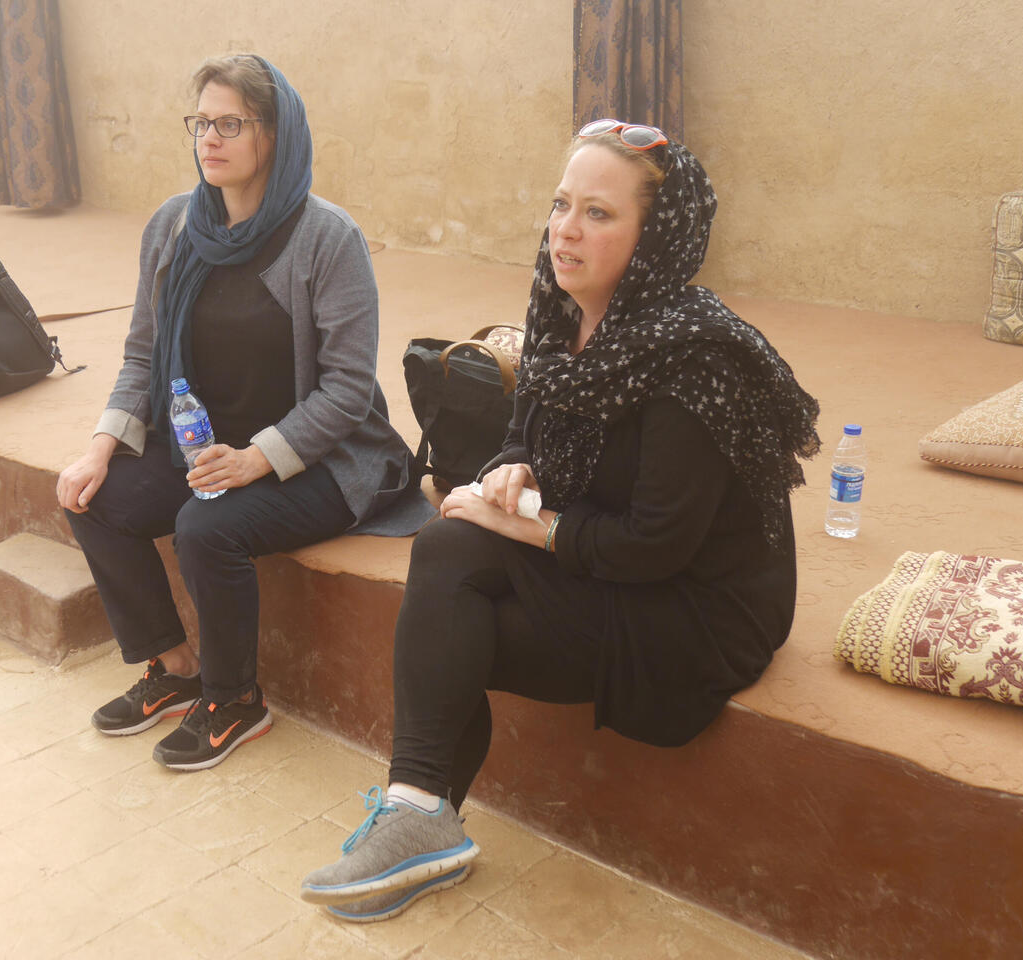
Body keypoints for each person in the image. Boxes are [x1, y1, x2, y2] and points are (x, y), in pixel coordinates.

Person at [299, 120, 821, 921]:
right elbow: (526, 430)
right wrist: (517, 465)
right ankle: (420, 813)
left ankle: (422, 819)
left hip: (693, 609)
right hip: (609, 560)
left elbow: (656, 544)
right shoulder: (561, 310)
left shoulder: (696, 359)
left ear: (655, 239)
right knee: (449, 571)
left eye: (598, 213)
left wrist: (524, 526)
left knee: (453, 597)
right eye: (560, 204)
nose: (565, 230)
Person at [56, 54, 431, 772]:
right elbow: (143, 354)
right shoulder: (174, 227)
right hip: (209, 445)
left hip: (322, 456)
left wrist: (256, 460)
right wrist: (101, 446)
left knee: (206, 527)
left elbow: (348, 390)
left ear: (275, 133)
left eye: (231, 124)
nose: (210, 139)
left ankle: (234, 699)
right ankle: (177, 666)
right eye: (201, 122)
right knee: (92, 497)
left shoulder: (327, 238)